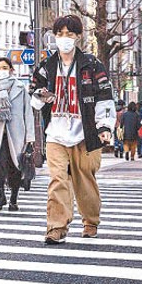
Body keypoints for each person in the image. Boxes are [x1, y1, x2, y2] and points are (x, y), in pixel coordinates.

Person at [31, 15, 116, 244]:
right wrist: (41, 96)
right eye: (60, 34)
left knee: (84, 180)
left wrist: (105, 126)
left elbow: (104, 97)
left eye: (69, 34)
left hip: (85, 132)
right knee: (57, 179)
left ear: (78, 36)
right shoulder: (46, 66)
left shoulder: (91, 64)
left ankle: (90, 220)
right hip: (56, 133)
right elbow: (34, 96)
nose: (64, 39)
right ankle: (56, 227)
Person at [0, 57, 35, 212]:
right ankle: (0, 196)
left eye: (4, 67)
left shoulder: (20, 88)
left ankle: (13, 198)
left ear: (11, 69)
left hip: (17, 134)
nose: (1, 70)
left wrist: (30, 138)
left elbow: (28, 114)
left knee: (15, 167)